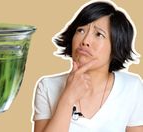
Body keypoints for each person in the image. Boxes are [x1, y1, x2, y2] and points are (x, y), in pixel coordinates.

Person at [32, 1, 143, 132]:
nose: (85, 41)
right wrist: (67, 98)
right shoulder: (47, 87)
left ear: (115, 46)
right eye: (81, 30)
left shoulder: (132, 87)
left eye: (99, 34)